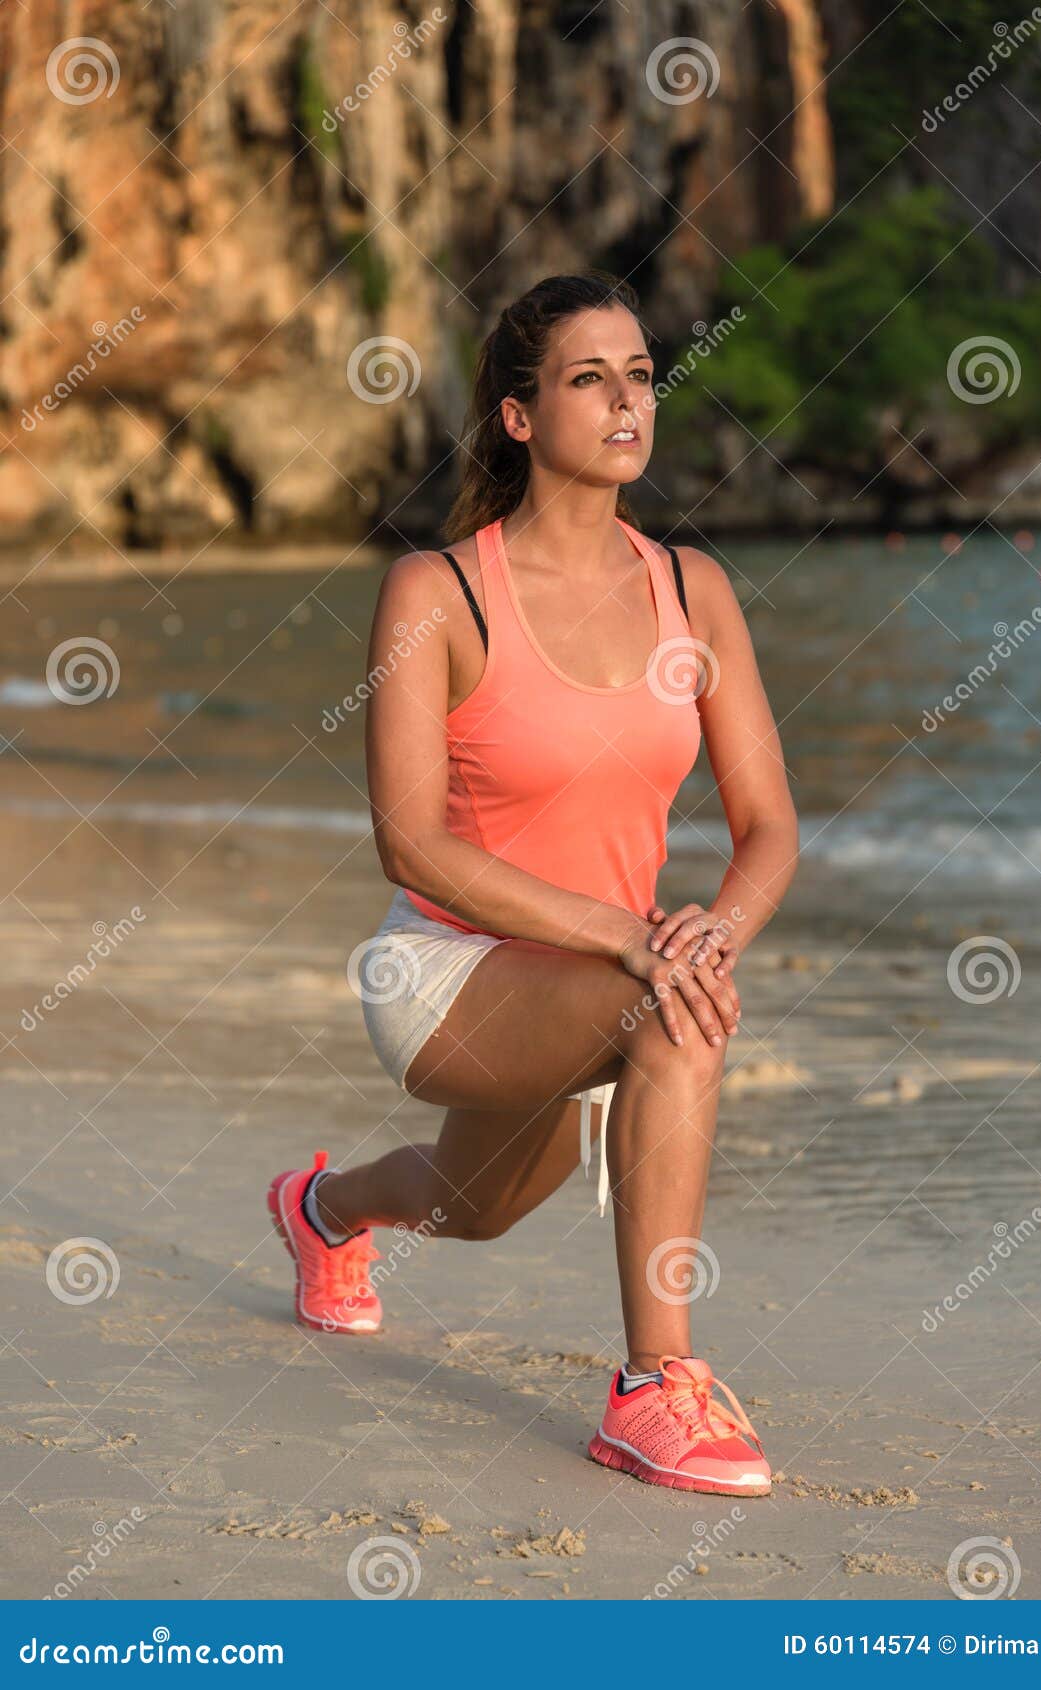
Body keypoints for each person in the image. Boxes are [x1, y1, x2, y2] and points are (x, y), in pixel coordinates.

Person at [268, 270, 798, 1496]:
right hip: (448, 972)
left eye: (641, 377)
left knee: (472, 1204)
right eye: (588, 379)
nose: (628, 402)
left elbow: (769, 827)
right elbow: (413, 844)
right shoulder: (438, 592)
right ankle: (651, 1391)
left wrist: (709, 933)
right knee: (671, 1011)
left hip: (607, 969)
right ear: (519, 414)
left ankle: (323, 1210)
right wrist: (635, 943)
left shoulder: (693, 590)